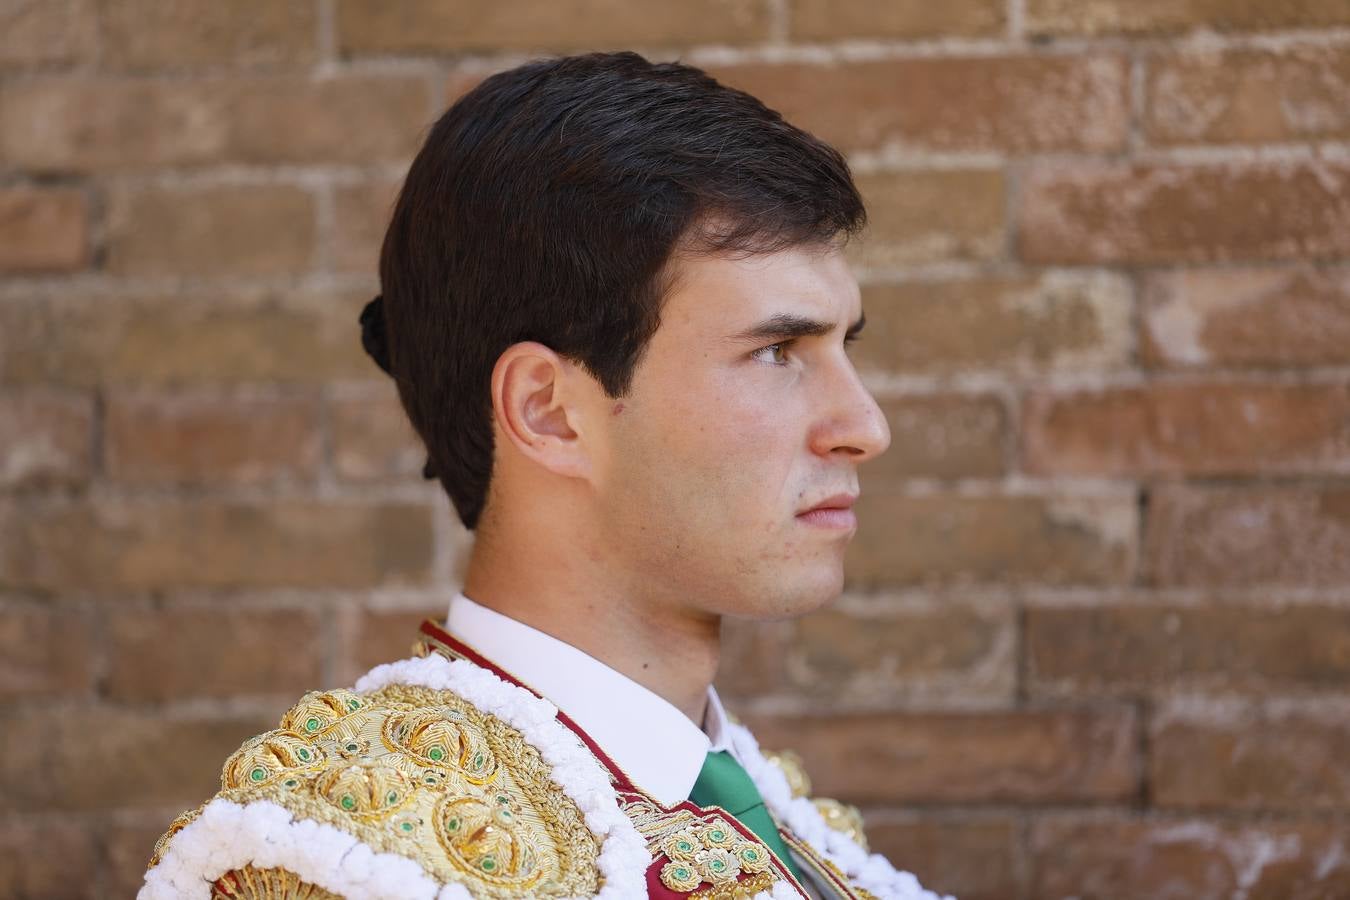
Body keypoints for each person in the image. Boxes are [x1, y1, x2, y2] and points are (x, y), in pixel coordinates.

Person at [137, 50, 955, 900]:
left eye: (841, 346)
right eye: (777, 351)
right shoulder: (334, 861)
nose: (867, 428)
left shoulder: (774, 814)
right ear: (550, 412)